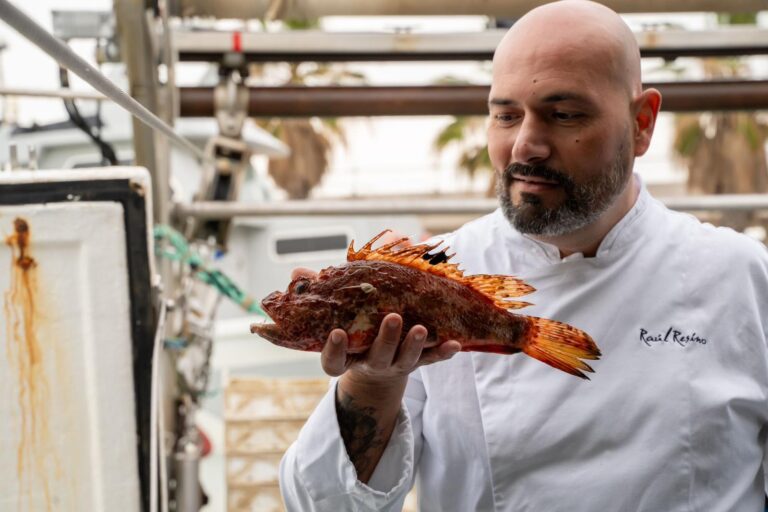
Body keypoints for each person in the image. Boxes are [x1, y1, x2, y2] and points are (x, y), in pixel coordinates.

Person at [279, 1, 768, 510]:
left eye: (564, 115)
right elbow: (324, 504)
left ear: (641, 123)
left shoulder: (740, 275)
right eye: (506, 116)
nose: (525, 146)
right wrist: (372, 381)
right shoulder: (436, 277)